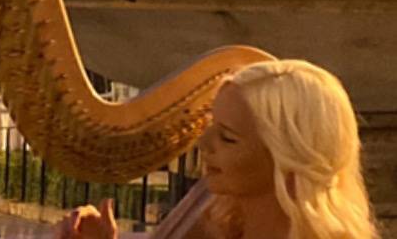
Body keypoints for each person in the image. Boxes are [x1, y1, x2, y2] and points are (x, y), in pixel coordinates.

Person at [55, 59, 380, 239]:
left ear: (288, 156)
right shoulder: (222, 231)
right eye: (211, 127)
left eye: (228, 138)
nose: (204, 143)